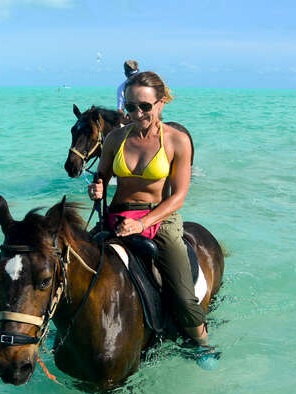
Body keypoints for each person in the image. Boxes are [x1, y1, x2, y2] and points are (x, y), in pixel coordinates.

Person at [89, 71, 212, 353]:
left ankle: (203, 343)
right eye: (131, 107)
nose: (138, 113)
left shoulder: (177, 141)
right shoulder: (114, 139)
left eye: (145, 106)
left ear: (162, 102)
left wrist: (142, 223)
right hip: (117, 218)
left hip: (159, 217)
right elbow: (102, 177)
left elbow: (178, 196)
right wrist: (97, 188)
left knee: (182, 295)